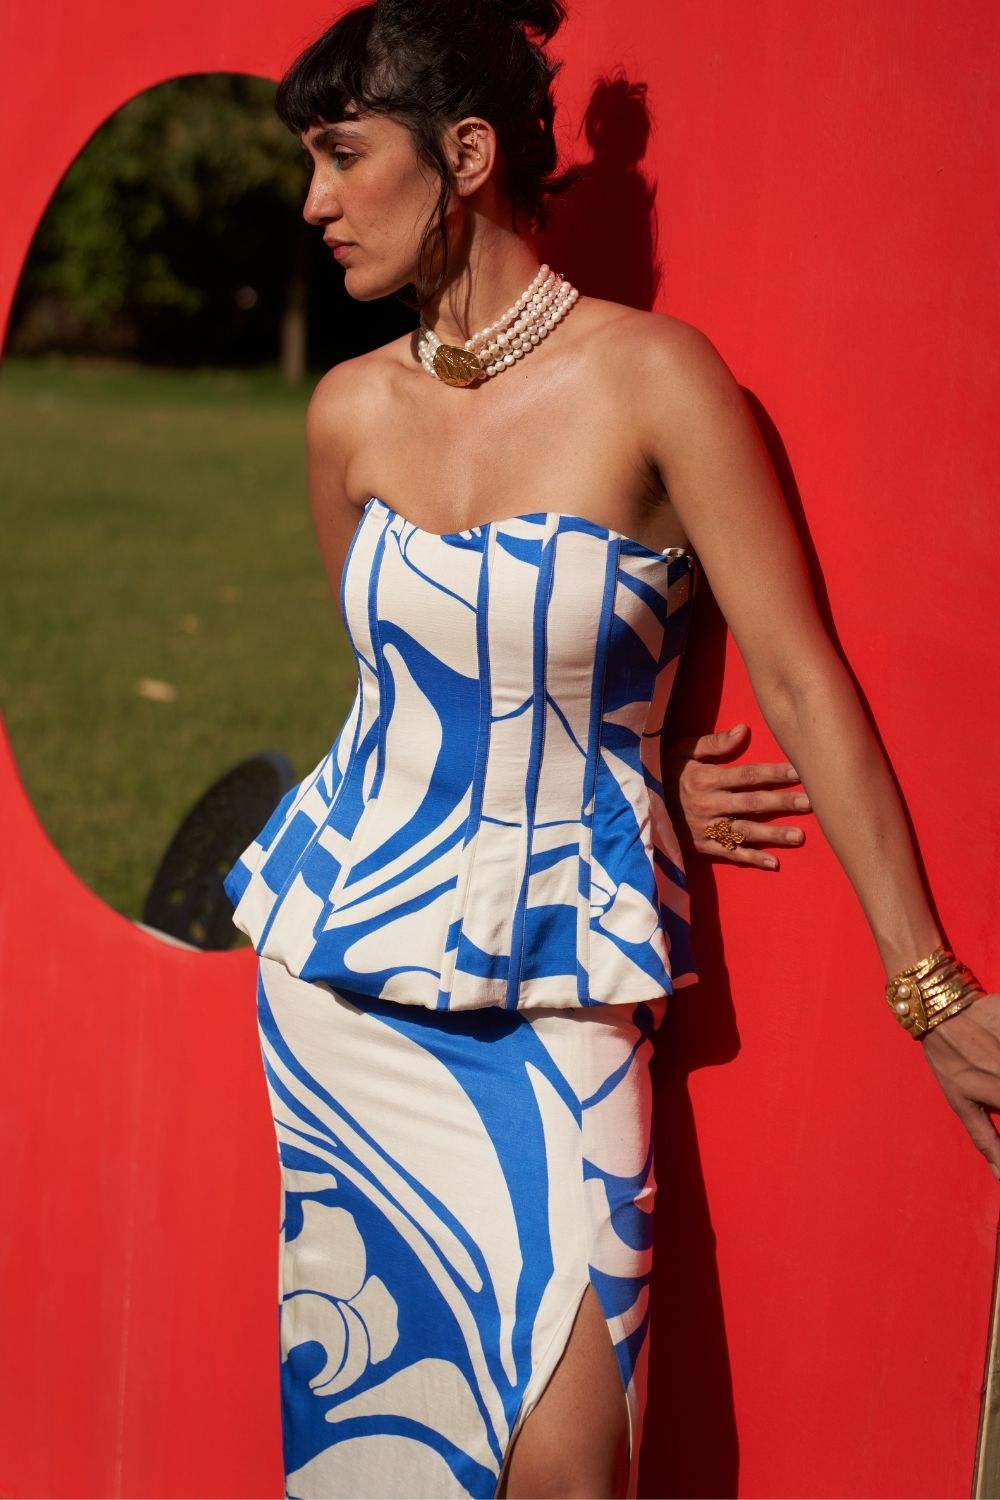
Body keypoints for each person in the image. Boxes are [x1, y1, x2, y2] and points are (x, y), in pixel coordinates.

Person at [223, 1, 1000, 1496]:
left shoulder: (657, 379)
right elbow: (396, 694)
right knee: (379, 1454)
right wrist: (630, 777)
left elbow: (800, 675)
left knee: (573, 1473)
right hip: (339, 995)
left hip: (562, 992)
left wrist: (930, 986)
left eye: (341, 154)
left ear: (464, 155)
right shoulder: (346, 413)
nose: (313, 200)